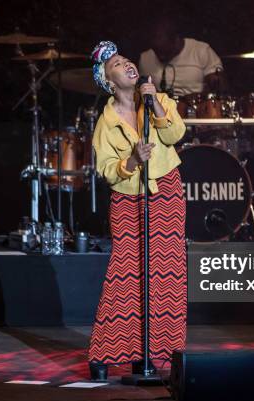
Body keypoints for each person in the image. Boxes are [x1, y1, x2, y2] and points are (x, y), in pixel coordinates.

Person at [87, 41, 187, 381]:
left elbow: (176, 132)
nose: (128, 64)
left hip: (167, 193)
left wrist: (155, 102)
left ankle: (156, 353)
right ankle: (106, 351)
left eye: (127, 59)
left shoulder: (158, 100)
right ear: (108, 80)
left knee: (167, 274)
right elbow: (106, 170)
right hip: (129, 199)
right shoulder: (106, 123)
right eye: (117, 64)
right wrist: (131, 161)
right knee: (126, 273)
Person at [138, 17, 225, 97]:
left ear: (176, 40)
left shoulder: (201, 51)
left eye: (164, 51)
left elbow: (220, 87)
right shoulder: (145, 58)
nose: (161, 56)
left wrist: (213, 84)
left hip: (196, 109)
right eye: (156, 51)